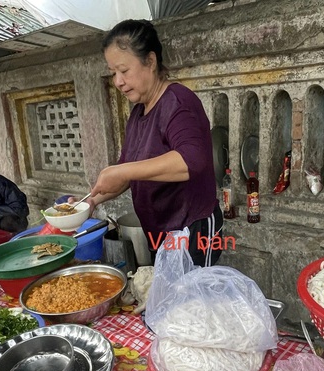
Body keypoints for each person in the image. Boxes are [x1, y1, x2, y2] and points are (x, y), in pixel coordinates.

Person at [86, 19, 223, 267]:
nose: (117, 81)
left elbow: (192, 160)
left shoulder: (178, 102)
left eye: (124, 71)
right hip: (162, 233)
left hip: (194, 231)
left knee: (190, 303)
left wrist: (121, 170)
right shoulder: (138, 114)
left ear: (150, 61)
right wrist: (92, 201)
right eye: (113, 73)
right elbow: (128, 173)